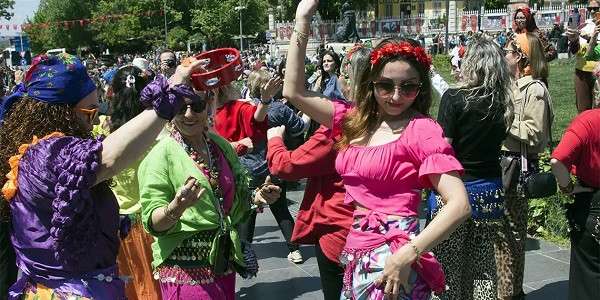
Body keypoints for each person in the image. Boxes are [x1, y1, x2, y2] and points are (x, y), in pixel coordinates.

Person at [283, 1, 471, 299]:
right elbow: (293, 91)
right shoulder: (353, 120)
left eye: (408, 87)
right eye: (386, 86)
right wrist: (302, 18)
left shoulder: (421, 130)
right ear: (371, 84)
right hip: (357, 251)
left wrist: (407, 254)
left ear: (420, 89)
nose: (397, 96)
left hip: (395, 259)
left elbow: (459, 204)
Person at [0, 53, 205, 299]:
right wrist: (170, 94)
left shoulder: (44, 152)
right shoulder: (44, 156)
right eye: (89, 112)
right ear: (60, 112)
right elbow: (108, 158)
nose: (95, 119)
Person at [137, 77, 281, 300]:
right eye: (179, 107)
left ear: (208, 104)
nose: (188, 115)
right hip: (185, 269)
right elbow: (152, 223)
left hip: (221, 262)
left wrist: (258, 196)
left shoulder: (218, 145)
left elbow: (234, 200)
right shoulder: (160, 154)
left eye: (196, 105)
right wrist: (176, 207)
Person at [266, 44, 371, 300]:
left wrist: (274, 139)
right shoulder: (390, 119)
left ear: (351, 79)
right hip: (377, 234)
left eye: (344, 75)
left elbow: (287, 165)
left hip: (340, 231)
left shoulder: (344, 125)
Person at [430, 36, 514, 300]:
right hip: (490, 190)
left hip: (455, 191)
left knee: (447, 266)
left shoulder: (455, 99)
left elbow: (444, 149)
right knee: (482, 267)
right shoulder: (503, 103)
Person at [499, 33, 554, 300]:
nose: (504, 55)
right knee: (502, 236)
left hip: (516, 169)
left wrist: (502, 120)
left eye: (509, 51)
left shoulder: (535, 90)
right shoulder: (510, 85)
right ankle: (505, 291)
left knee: (511, 237)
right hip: (502, 167)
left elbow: (535, 134)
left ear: (522, 57)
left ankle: (510, 293)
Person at [100, 65, 161, 300]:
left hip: (113, 226)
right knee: (153, 289)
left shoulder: (101, 130)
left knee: (123, 289)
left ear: (112, 93)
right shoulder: (158, 130)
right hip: (153, 223)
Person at [237, 70, 307, 264]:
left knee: (247, 212)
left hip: (247, 167)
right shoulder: (279, 109)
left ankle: (244, 252)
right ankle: (295, 250)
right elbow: (300, 127)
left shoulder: (242, 109)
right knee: (281, 208)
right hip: (274, 165)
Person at [550, 109, 600, 300]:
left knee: (588, 276)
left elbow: (557, 160)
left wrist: (567, 187)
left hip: (592, 202)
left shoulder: (588, 121)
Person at [213, 82, 269, 156]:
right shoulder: (201, 117)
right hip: (223, 163)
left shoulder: (237, 106)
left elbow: (256, 119)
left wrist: (265, 102)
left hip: (248, 160)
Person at [566, 0, 600, 112]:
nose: (593, 11)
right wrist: (573, 40)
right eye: (590, 9)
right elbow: (575, 52)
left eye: (596, 8)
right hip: (582, 72)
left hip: (598, 74)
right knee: (583, 111)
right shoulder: (583, 26)